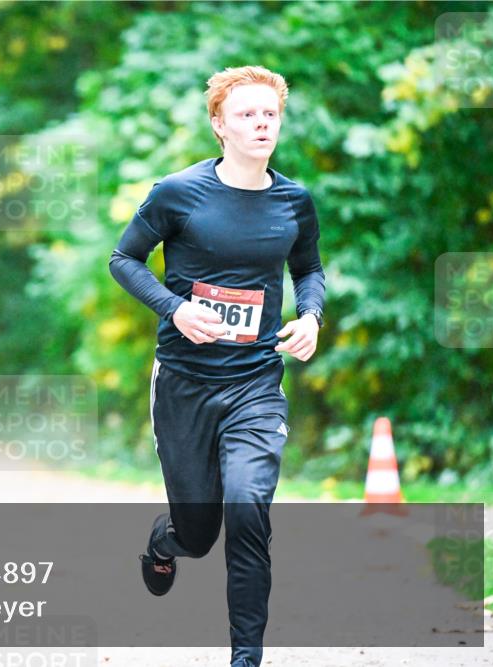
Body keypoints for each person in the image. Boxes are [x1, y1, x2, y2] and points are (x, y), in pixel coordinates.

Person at [108, 66, 325, 667]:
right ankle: (165, 543)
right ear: (219, 126)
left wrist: (310, 316)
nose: (261, 124)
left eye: (270, 114)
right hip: (184, 383)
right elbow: (123, 259)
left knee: (248, 507)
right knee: (198, 533)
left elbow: (308, 268)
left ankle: (245, 657)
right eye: (247, 114)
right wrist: (175, 309)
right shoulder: (179, 193)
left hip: (255, 383)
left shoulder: (294, 201)